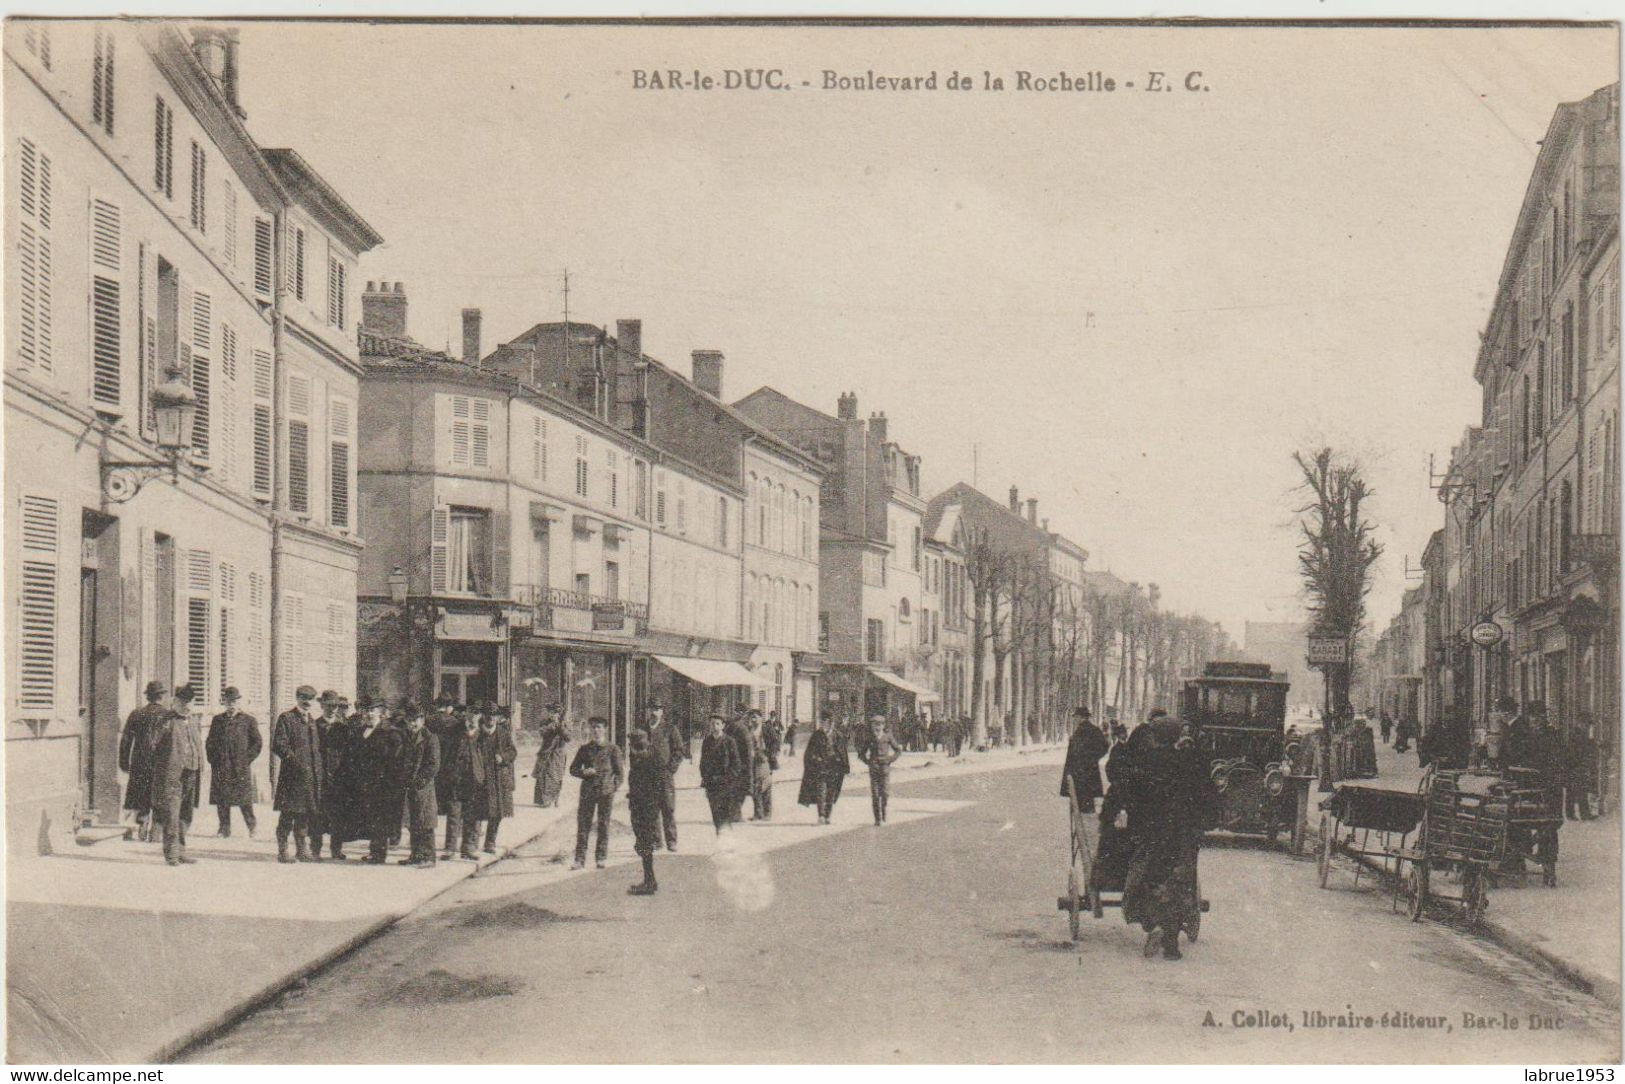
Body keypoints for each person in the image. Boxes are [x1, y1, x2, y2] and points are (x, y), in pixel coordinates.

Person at [1120, 712, 1213, 961]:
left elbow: (1131, 795)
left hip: (1153, 835)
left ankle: (1153, 924)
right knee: (1179, 886)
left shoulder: (1148, 762)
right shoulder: (1192, 762)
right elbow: (1207, 796)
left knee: (1150, 881)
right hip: (1184, 837)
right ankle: (1171, 943)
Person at [151, 685, 206, 866]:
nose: (186, 706)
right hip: (172, 775)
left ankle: (181, 851)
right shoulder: (165, 720)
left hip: (191, 773)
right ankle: (172, 853)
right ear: (175, 702)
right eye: (182, 702)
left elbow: (197, 745)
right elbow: (152, 746)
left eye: (190, 703)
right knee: (172, 814)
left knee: (186, 814)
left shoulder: (193, 721)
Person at [271, 684, 324, 863]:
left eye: (310, 699)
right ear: (297, 698)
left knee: (304, 815)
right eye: (303, 698)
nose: (307, 702)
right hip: (292, 778)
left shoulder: (312, 721)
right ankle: (283, 851)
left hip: (309, 779)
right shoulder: (287, 718)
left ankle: (302, 850)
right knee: (288, 815)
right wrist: (296, 764)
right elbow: (279, 745)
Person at [206, 686, 262, 838]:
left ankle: (252, 827)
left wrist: (246, 760)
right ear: (224, 702)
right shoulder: (217, 720)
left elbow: (257, 743)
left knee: (244, 799)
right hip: (222, 766)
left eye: (234, 701)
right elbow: (210, 742)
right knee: (222, 799)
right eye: (228, 701)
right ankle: (224, 828)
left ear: (238, 702)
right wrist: (213, 760)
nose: (231, 704)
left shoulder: (248, 720)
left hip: (240, 767)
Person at [353, 698, 402, 864]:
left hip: (383, 783)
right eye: (366, 711)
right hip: (366, 781)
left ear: (380, 712)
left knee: (381, 817)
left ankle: (380, 854)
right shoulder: (361, 731)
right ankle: (374, 850)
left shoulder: (391, 732)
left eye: (371, 710)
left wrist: (391, 781)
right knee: (372, 817)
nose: (368, 714)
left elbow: (396, 759)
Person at [120, 681, 169, 842]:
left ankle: (140, 825)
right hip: (160, 762)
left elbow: (126, 739)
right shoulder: (167, 715)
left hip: (140, 760)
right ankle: (156, 832)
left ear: (148, 696)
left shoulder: (136, 713)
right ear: (162, 696)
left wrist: (124, 762)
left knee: (140, 793)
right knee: (159, 795)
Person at [570, 718, 622, 868]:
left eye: (599, 727)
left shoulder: (613, 749)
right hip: (588, 791)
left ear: (605, 729)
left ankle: (601, 857)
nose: (595, 731)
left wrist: (613, 787)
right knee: (583, 825)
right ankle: (579, 859)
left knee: (603, 824)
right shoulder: (584, 749)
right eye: (593, 728)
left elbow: (619, 774)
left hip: (606, 792)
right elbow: (573, 769)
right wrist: (583, 772)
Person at [443, 707, 488, 861]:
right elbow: (446, 754)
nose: (472, 717)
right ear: (465, 715)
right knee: (454, 815)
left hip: (474, 781)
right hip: (457, 780)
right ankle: (450, 849)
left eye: (476, 714)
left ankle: (468, 848)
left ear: (480, 716)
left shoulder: (482, 734)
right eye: (470, 713)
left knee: (472, 815)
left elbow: (486, 758)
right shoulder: (454, 732)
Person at [397, 704, 440, 868]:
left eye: (415, 720)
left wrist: (419, 782)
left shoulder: (431, 738)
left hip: (424, 789)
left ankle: (429, 857)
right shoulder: (407, 737)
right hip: (409, 787)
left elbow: (433, 765)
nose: (412, 724)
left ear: (422, 720)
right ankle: (416, 855)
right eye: (409, 721)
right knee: (413, 823)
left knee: (426, 823)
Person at [312, 690, 352, 861]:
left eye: (335, 706)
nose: (332, 709)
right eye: (328, 706)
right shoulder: (313, 726)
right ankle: (315, 850)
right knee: (317, 816)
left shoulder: (344, 728)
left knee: (338, 815)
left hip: (338, 778)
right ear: (321, 706)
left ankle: (336, 849)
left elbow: (350, 754)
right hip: (319, 778)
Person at [641, 703, 685, 851]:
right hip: (647, 775)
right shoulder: (642, 730)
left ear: (662, 712)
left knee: (668, 807)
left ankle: (671, 841)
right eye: (652, 709)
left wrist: (671, 769)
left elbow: (679, 751)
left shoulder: (670, 729)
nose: (654, 712)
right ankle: (656, 841)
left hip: (665, 774)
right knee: (650, 809)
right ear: (648, 711)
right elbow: (634, 750)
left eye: (657, 709)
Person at [626, 731, 662, 895]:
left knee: (644, 844)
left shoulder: (647, 761)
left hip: (645, 809)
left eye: (632, 745)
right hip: (642, 806)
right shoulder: (644, 758)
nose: (630, 749)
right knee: (644, 845)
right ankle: (650, 880)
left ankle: (649, 882)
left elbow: (653, 787)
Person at [480, 706, 518, 853]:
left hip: (498, 778)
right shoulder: (477, 733)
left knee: (498, 812)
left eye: (494, 715)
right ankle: (471, 841)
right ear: (483, 716)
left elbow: (513, 751)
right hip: (481, 777)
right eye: (488, 715)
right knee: (477, 810)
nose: (491, 718)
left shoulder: (503, 733)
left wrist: (503, 757)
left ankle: (490, 841)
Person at [1060, 706, 1109, 811]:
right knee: (1086, 803)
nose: (1075, 719)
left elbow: (1104, 746)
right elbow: (1105, 746)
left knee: (1080, 804)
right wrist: (1093, 758)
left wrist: (1088, 759)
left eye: (1076, 717)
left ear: (1081, 717)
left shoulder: (1083, 731)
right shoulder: (1093, 730)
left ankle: (1083, 826)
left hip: (1079, 773)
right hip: (1089, 772)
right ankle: (1084, 824)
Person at [858, 714, 903, 826]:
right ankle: (877, 819)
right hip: (874, 768)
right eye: (875, 725)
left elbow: (898, 750)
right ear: (872, 726)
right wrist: (868, 762)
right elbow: (861, 753)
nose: (877, 727)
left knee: (885, 793)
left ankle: (884, 814)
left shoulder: (888, 737)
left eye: (880, 724)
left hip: (885, 767)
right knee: (875, 793)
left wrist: (890, 759)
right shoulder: (869, 738)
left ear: (883, 725)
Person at [699, 714, 740, 834]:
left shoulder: (729, 742)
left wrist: (728, 779)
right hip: (711, 785)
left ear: (723, 725)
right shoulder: (707, 741)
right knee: (716, 816)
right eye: (712, 724)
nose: (715, 726)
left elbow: (736, 765)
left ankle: (727, 846)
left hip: (726, 785)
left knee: (725, 816)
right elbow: (703, 763)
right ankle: (722, 844)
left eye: (717, 724)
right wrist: (705, 777)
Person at [531, 704, 570, 808]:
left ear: (559, 714)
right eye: (551, 712)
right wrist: (550, 727)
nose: (553, 715)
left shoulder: (564, 723)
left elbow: (568, 737)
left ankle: (554, 798)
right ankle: (544, 800)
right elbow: (542, 732)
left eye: (555, 713)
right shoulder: (545, 723)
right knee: (543, 775)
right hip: (545, 752)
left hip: (558, 754)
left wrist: (560, 727)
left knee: (555, 775)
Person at [726, 709, 758, 824]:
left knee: (734, 788)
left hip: (731, 763)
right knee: (742, 789)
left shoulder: (729, 727)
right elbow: (748, 750)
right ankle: (736, 814)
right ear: (744, 715)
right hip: (742, 764)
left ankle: (733, 813)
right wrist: (749, 765)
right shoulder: (743, 729)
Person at [750, 712, 780, 820]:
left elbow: (775, 742)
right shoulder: (750, 730)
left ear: (761, 718)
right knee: (755, 786)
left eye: (755, 717)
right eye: (752, 717)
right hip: (753, 761)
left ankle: (766, 813)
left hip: (765, 760)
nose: (753, 720)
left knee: (766, 785)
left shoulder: (767, 728)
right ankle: (758, 813)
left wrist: (769, 754)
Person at [1567, 717, 1598, 821]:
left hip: (1573, 766)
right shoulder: (1578, 736)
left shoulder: (1576, 734)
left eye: (1588, 725)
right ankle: (1584, 815)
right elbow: (1578, 751)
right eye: (1586, 724)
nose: (1587, 727)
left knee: (1572, 791)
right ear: (1580, 723)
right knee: (1581, 791)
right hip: (1576, 766)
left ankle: (1570, 814)